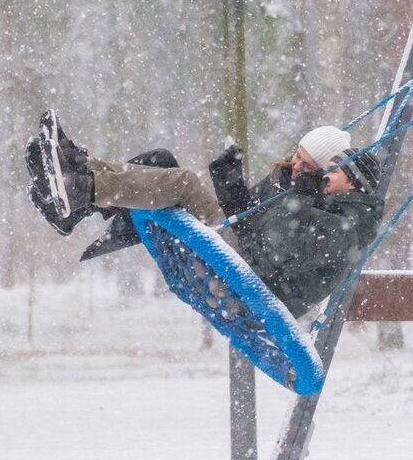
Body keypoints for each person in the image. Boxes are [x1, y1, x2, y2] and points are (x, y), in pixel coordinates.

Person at [27, 110, 383, 317]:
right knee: (161, 161)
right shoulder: (303, 189)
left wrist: (299, 199)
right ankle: (77, 173)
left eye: (310, 165)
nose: (296, 166)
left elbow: (275, 248)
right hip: (245, 263)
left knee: (182, 183)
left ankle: (80, 190)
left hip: (250, 288)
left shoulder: (339, 221)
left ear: (350, 182)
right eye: (297, 156)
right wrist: (233, 189)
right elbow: (253, 224)